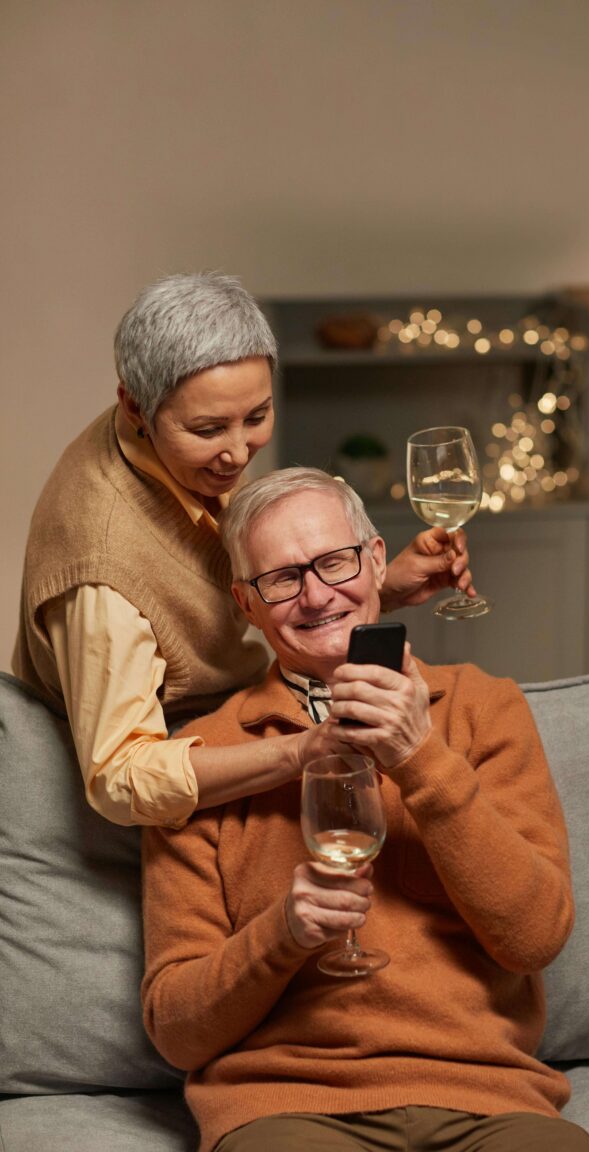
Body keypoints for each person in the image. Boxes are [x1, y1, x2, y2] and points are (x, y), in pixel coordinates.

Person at [141, 467, 589, 1152]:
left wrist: (420, 757)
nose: (316, 595)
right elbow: (177, 1031)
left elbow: (536, 937)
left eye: (335, 561)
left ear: (377, 561)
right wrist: (285, 933)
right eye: (281, 579)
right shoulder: (201, 760)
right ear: (246, 605)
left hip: (488, 1101)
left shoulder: (485, 709)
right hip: (288, 1109)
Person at [12, 272, 473, 829]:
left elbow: (224, 595)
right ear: (134, 407)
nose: (236, 455)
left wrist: (381, 587)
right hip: (146, 802)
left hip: (231, 726)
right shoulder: (100, 567)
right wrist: (303, 749)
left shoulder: (170, 436)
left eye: (256, 417)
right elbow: (120, 780)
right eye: (208, 430)